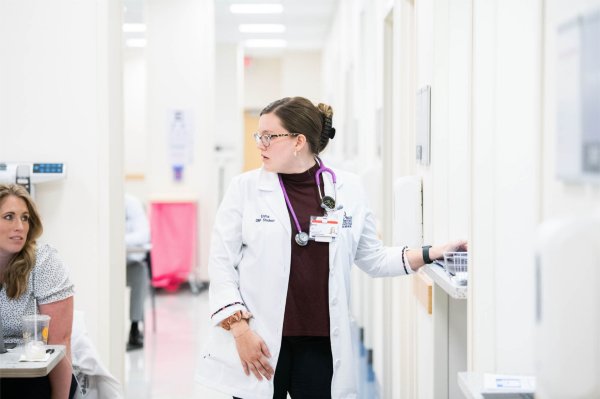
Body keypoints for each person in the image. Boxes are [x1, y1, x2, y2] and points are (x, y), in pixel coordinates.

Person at [195, 97, 467, 398]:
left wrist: (431, 253)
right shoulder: (244, 189)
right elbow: (221, 263)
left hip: (321, 342)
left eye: (269, 136)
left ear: (298, 141)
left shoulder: (347, 189)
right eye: (259, 135)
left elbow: (372, 258)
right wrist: (240, 330)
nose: (261, 143)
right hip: (260, 338)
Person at [0, 183, 77, 398]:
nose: (20, 226)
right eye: (9, 217)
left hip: (33, 376)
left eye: (24, 218)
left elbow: (60, 343)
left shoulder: (44, 262)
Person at [124, 193, 150, 351]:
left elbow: (143, 235)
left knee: (141, 271)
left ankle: (134, 328)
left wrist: (118, 239)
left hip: (130, 263)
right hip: (109, 265)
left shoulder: (132, 203)